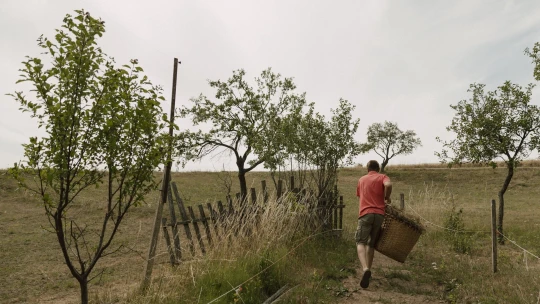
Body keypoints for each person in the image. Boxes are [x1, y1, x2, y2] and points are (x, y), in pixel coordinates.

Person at [355, 160, 392, 288]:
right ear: (378, 169)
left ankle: (365, 269)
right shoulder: (382, 176)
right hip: (379, 215)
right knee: (371, 244)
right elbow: (388, 184)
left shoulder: (361, 179)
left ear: (367, 168)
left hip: (366, 214)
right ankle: (369, 270)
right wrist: (387, 198)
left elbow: (360, 196)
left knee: (360, 242)